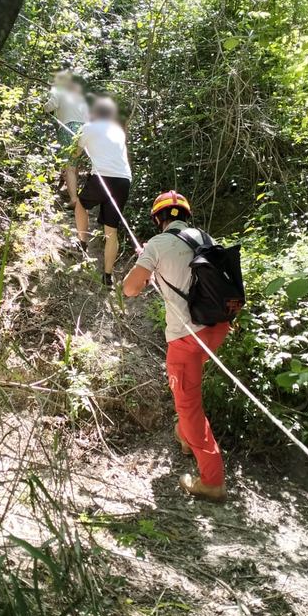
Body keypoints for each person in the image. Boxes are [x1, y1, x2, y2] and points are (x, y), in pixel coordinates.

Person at [122, 191, 230, 503]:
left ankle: (212, 481)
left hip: (187, 338)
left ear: (159, 219)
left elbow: (130, 288)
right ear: (185, 215)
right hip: (216, 329)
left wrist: (148, 260)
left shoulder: (157, 244)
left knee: (189, 406)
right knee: (188, 390)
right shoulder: (205, 237)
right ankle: (185, 437)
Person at [71, 96, 131, 287]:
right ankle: (107, 276)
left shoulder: (88, 128)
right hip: (123, 180)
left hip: (103, 177)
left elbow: (74, 155)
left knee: (81, 204)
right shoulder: (117, 131)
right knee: (111, 231)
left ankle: (82, 243)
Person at [44, 70, 90, 207]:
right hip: (86, 128)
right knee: (75, 163)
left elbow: (50, 106)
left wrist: (42, 106)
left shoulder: (58, 91)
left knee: (69, 166)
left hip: (68, 128)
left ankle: (74, 199)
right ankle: (77, 195)